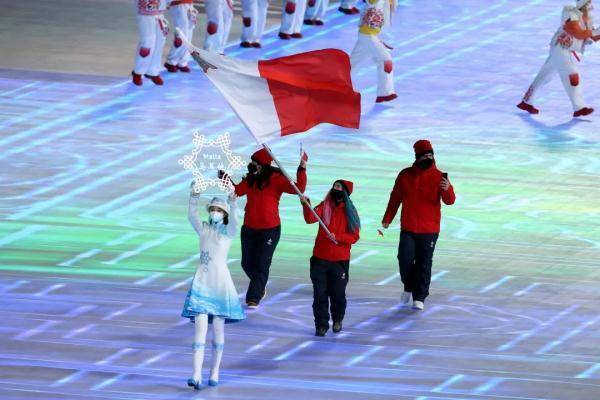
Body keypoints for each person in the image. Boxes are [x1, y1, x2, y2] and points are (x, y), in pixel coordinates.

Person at [220, 148, 308, 309]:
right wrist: (226, 179)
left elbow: (299, 189)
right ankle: (259, 285)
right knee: (246, 263)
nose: (252, 166)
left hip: (270, 229)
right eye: (251, 162)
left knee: (261, 263)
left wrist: (302, 167)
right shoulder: (251, 180)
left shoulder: (276, 179)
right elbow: (237, 191)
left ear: (264, 165)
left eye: (256, 163)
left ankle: (253, 297)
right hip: (249, 228)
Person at [182, 187, 246, 390]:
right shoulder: (204, 229)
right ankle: (195, 374)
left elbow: (236, 223)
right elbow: (191, 215)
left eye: (218, 210)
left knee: (218, 332)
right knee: (199, 333)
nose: (214, 212)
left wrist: (234, 203)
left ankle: (214, 371)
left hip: (220, 284)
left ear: (224, 214)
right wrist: (194, 196)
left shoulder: (228, 233)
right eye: (212, 209)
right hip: (202, 282)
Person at [381, 140, 455, 311]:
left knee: (424, 263)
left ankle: (419, 296)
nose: (429, 158)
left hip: (429, 230)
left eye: (431, 155)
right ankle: (408, 286)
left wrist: (448, 189)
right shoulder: (405, 175)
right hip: (408, 227)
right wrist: (387, 218)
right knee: (404, 259)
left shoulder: (440, 176)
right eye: (425, 155)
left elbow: (450, 201)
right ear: (418, 157)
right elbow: (395, 198)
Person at [517, 0, 600, 117]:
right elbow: (578, 33)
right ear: (583, 5)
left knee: (545, 76)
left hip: (564, 50)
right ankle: (579, 107)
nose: (591, 6)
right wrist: (593, 32)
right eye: (588, 3)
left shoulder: (588, 21)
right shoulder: (570, 12)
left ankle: (526, 101)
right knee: (572, 73)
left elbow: (594, 36)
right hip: (560, 47)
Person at [301, 180, 360, 337]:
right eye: (334, 186)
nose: (335, 189)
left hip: (339, 261)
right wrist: (305, 205)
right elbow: (310, 219)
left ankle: (338, 319)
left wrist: (338, 237)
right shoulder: (324, 206)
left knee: (337, 294)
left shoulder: (351, 213)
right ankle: (321, 325)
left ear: (345, 192)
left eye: (339, 187)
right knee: (319, 294)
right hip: (320, 258)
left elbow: (354, 236)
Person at [350, 0, 398, 103]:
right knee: (386, 60)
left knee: (351, 64)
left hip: (371, 35)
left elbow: (386, 19)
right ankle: (385, 93)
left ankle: (332, 82)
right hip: (368, 35)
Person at [132, 0, 169, 86]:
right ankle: (138, 72)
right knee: (147, 42)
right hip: (146, 12)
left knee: (159, 42)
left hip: (160, 12)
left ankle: (153, 71)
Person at [164, 0, 198, 73]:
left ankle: (182, 62)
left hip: (189, 4)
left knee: (189, 33)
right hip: (178, 4)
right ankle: (171, 61)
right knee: (182, 33)